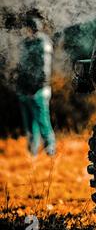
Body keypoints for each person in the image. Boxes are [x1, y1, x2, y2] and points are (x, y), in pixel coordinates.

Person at [16, 17, 56, 156]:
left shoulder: (42, 43)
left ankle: (50, 152)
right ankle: (32, 154)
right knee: (30, 125)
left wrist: (35, 88)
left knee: (43, 122)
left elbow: (44, 70)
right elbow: (22, 67)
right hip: (26, 90)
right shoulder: (27, 43)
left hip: (38, 90)